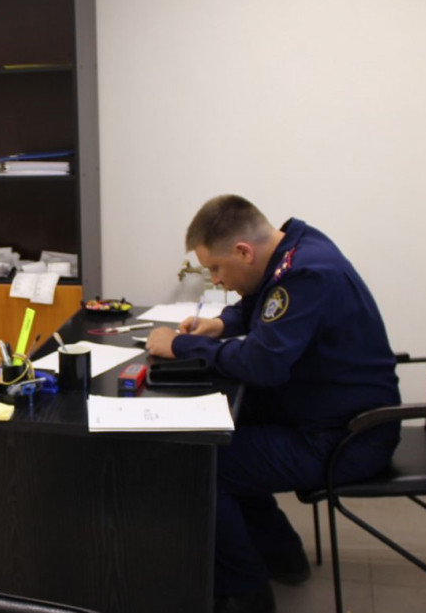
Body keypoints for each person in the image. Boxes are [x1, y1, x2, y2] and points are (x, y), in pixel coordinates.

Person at [146, 194, 401, 613]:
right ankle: (281, 556)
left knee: (201, 464)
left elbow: (262, 363)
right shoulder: (299, 249)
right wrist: (219, 324)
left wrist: (181, 345)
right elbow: (263, 306)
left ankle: (244, 594)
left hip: (348, 439)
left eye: (216, 268)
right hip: (327, 415)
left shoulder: (306, 275)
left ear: (244, 251)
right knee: (224, 437)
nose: (216, 281)